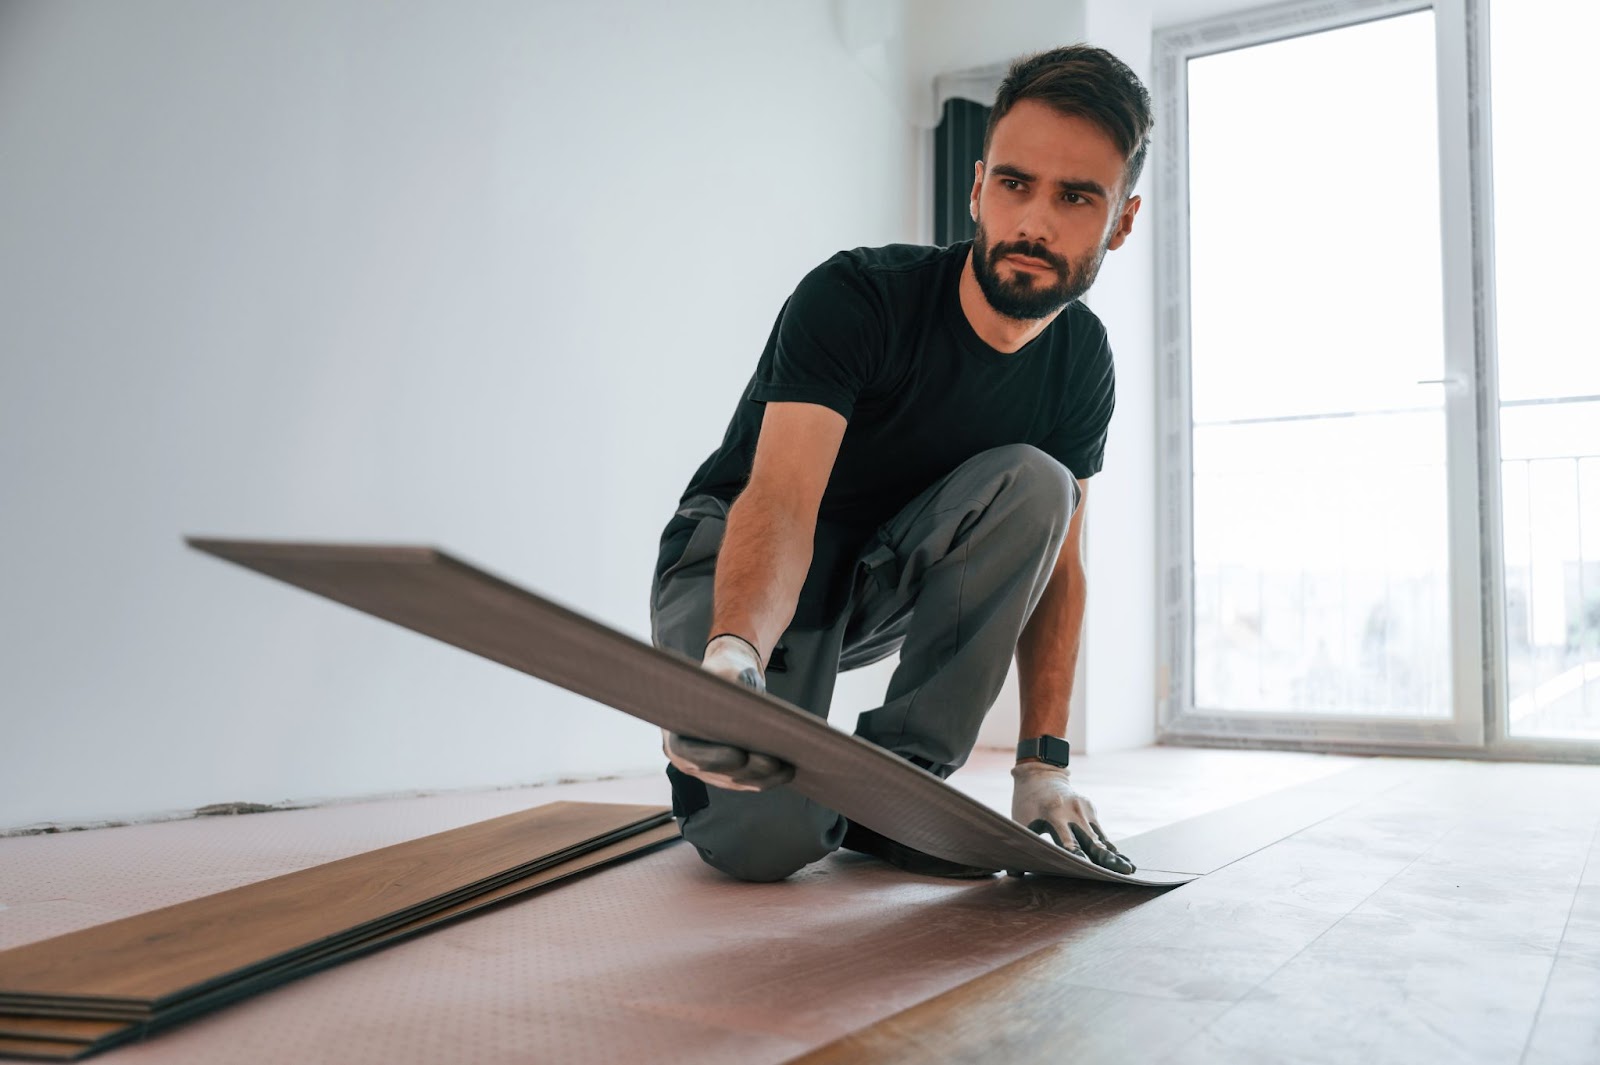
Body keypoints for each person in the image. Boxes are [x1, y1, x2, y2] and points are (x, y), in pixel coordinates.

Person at [649, 43, 1150, 883]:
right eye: (1014, 184)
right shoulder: (856, 298)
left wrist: (1043, 765)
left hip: (868, 587)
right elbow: (776, 500)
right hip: (742, 563)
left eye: (1075, 197)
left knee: (1044, 485)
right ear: (978, 185)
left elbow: (1058, 564)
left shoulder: (1081, 359)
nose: (1032, 221)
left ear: (1121, 221)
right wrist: (730, 658)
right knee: (765, 846)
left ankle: (904, 785)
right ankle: (765, 762)